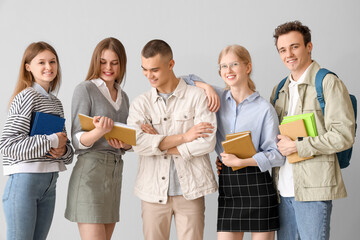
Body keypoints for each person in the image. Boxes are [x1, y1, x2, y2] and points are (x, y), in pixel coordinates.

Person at [182, 45, 285, 240]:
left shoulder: (264, 109)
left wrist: (243, 162)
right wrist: (206, 87)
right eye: (223, 66)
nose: (228, 71)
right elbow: (182, 80)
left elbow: (278, 155)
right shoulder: (216, 96)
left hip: (258, 185)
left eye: (234, 64)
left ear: (247, 67)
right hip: (229, 184)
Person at [270, 21, 355, 240]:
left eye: (294, 46)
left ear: (309, 46)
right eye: (282, 49)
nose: (288, 54)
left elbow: (343, 136)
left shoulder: (328, 83)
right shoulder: (280, 89)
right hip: (282, 190)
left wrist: (298, 146)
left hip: (314, 189)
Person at [127, 39, 218, 240]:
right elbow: (138, 144)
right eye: (144, 69)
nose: (148, 76)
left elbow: (207, 142)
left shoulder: (197, 96)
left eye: (155, 70)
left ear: (171, 64)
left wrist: (159, 144)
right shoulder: (141, 103)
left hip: (191, 190)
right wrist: (185, 137)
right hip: (152, 192)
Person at [0, 41, 74, 240]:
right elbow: (8, 145)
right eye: (41, 62)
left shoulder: (56, 103)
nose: (48, 67)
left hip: (50, 183)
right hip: (25, 183)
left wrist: (62, 151)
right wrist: (51, 141)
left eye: (52, 62)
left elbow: (67, 151)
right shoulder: (26, 97)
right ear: (28, 67)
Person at [65, 37, 132, 240]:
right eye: (103, 62)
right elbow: (76, 139)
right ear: (96, 62)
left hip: (114, 174)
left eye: (114, 62)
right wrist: (99, 132)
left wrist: (127, 144)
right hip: (90, 174)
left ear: (122, 64)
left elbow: (125, 140)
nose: (108, 67)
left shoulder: (124, 96)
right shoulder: (85, 89)